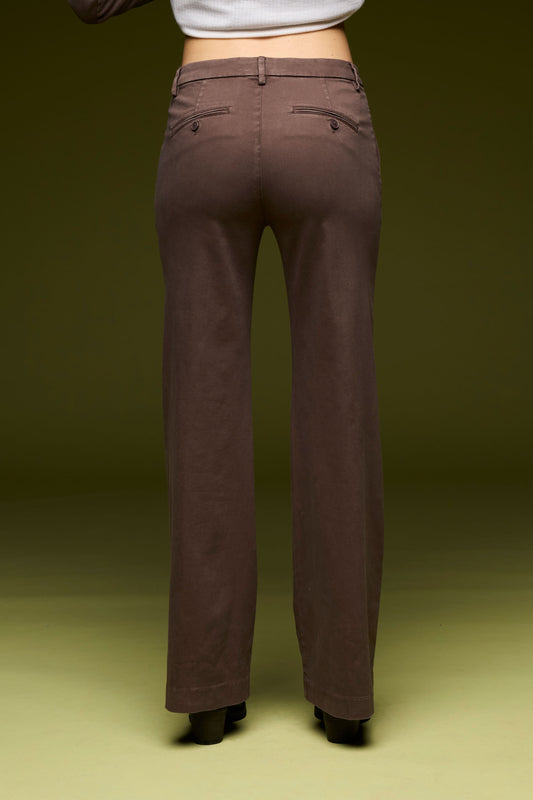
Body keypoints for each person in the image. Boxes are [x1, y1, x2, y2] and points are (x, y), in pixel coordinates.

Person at [68, 0, 385, 746]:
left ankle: (207, 694)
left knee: (202, 413)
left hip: (205, 111)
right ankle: (343, 695)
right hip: (325, 108)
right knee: (339, 406)